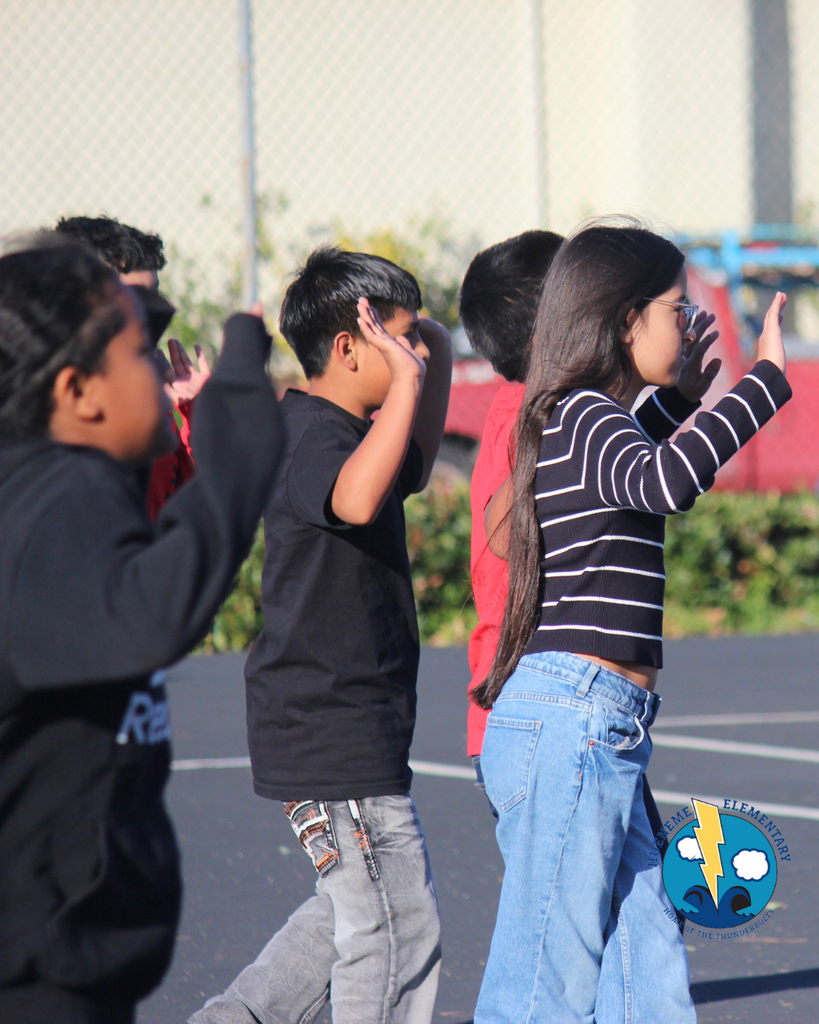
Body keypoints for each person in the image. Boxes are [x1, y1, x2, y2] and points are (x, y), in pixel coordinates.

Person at [471, 221, 791, 1024]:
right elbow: (663, 482)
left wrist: (677, 398)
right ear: (624, 320)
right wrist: (763, 382)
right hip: (573, 718)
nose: (685, 325)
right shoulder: (577, 412)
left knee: (641, 953)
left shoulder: (585, 421)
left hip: (597, 723)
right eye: (674, 308)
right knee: (546, 973)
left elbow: (628, 468)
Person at [0, 234, 283, 1024]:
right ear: (79, 392)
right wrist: (235, 422)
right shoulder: (54, 501)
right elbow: (155, 609)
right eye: (137, 351)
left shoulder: (60, 487)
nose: (160, 367)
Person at [189, 247, 452, 1024]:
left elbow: (412, 459)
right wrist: (407, 376)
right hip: (325, 719)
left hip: (346, 716)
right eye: (398, 340)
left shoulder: (350, 426)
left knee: (347, 911)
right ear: (348, 348)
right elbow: (357, 500)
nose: (414, 356)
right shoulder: (310, 435)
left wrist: (419, 352)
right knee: (397, 925)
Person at [461, 229, 720, 832]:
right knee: (562, 919)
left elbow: (614, 471)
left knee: (637, 917)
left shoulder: (556, 414)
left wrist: (675, 402)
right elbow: (648, 482)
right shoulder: (543, 418)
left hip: (571, 707)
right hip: (548, 707)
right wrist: (762, 386)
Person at [54, 214, 211, 518]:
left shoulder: (151, 395)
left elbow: (191, 514)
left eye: (154, 298)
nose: (153, 317)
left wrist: (199, 416)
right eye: (134, 301)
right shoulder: (39, 408)